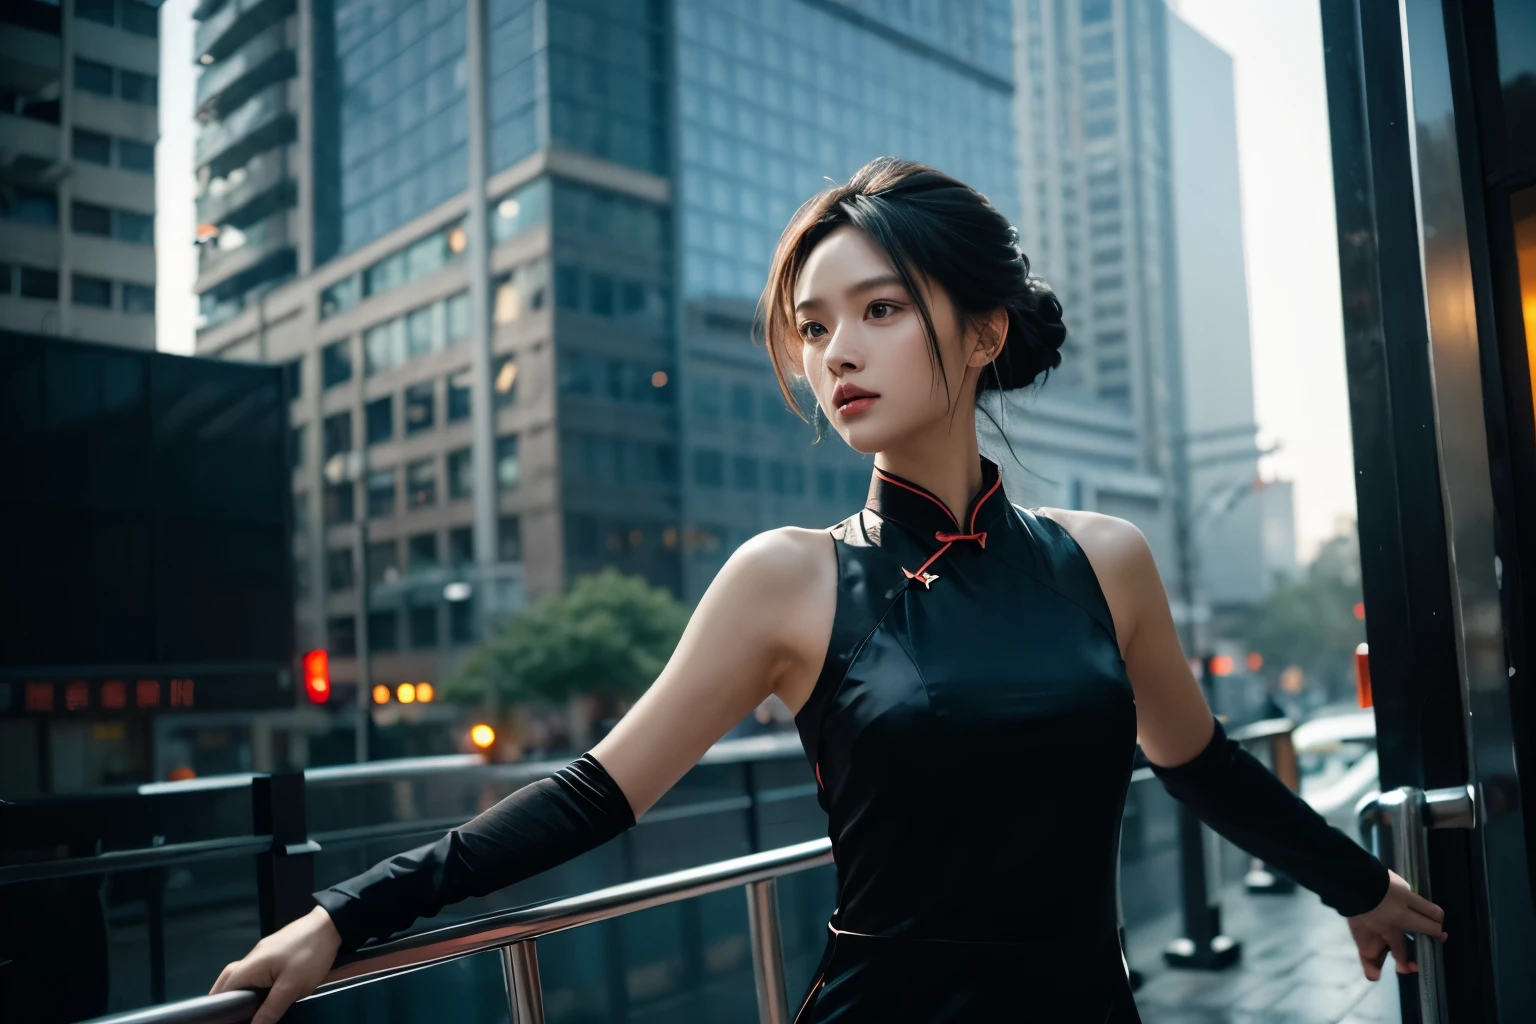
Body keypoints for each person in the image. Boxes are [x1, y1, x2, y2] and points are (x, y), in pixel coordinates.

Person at [210, 158, 1446, 1023]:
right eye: (813, 326)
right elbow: (598, 790)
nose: (835, 352)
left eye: (880, 308)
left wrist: (1360, 883)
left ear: (981, 334)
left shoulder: (1102, 557)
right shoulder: (787, 577)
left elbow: (1199, 760)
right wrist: (342, 915)